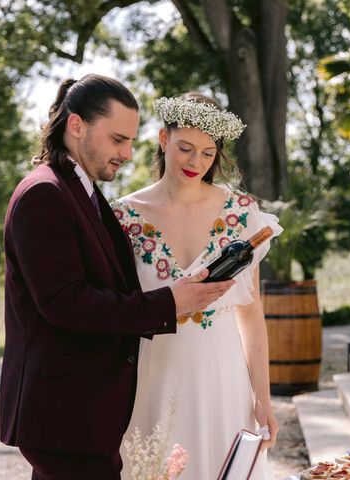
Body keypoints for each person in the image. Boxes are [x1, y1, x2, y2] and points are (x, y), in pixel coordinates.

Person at [0, 75, 234, 480]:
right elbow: (65, 303)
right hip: (64, 415)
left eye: (130, 141)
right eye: (117, 139)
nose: (127, 153)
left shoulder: (79, 189)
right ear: (76, 126)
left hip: (83, 417)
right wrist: (170, 303)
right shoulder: (45, 194)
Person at [113, 92, 281, 480]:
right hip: (154, 379)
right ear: (162, 139)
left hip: (223, 379)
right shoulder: (123, 218)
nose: (195, 162)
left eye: (208, 153)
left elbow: (251, 314)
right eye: (185, 148)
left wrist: (263, 397)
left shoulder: (243, 214)